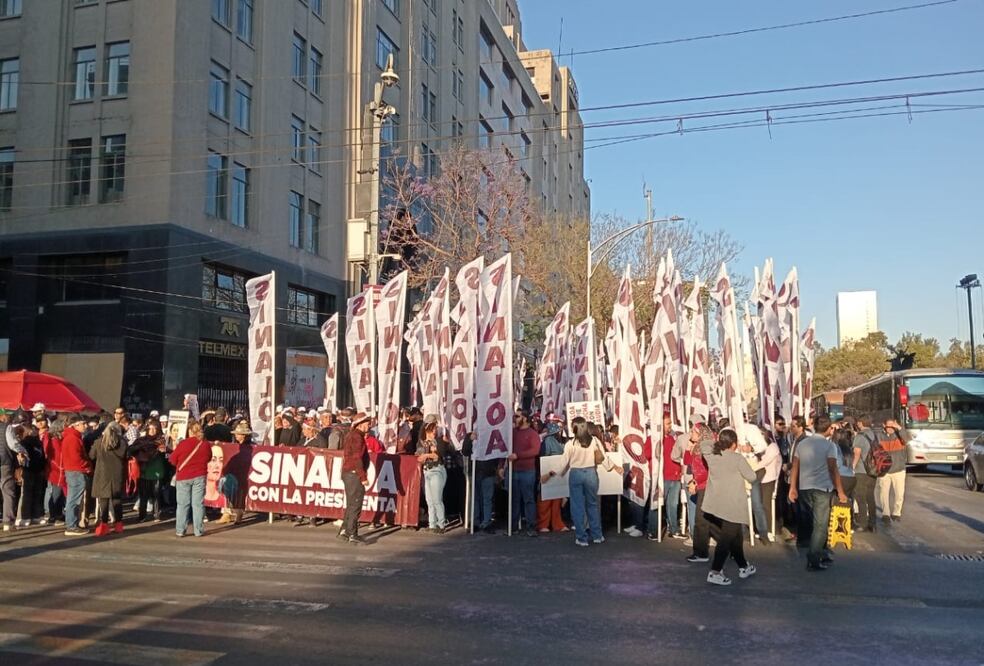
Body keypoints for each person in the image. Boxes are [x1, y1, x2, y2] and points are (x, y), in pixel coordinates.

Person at [541, 419, 617, 547]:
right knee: (592, 505)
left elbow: (563, 463)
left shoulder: (571, 444)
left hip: (576, 474)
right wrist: (614, 467)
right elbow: (603, 458)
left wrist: (549, 474)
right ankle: (597, 535)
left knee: (577, 507)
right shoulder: (594, 441)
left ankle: (582, 538)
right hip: (591, 473)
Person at [788, 416, 848, 572]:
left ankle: (822, 551)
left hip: (804, 487)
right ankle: (813, 558)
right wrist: (841, 491)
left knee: (815, 522)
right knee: (821, 524)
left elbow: (795, 466)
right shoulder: (830, 446)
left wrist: (792, 487)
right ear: (829, 429)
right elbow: (833, 469)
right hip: (822, 488)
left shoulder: (803, 444)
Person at [699, 428, 757, 586]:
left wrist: (717, 442)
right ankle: (715, 571)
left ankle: (743, 566)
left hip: (716, 504)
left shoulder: (712, 456)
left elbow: (704, 444)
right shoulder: (737, 459)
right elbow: (752, 476)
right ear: (734, 444)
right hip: (733, 505)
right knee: (726, 540)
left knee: (735, 537)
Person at [170, 422, 211, 538]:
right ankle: (199, 530)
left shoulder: (183, 444)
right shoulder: (205, 444)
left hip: (183, 477)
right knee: (198, 504)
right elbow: (208, 457)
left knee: (183, 504)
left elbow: (172, 460)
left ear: (190, 431)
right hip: (200, 475)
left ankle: (180, 530)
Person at [89, 418, 128, 536]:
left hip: (102, 474)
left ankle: (104, 526)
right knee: (117, 500)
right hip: (117, 474)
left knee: (103, 501)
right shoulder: (122, 443)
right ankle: (119, 525)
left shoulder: (98, 442)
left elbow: (91, 456)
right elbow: (126, 456)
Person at [340, 413, 372, 544]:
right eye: (367, 423)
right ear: (360, 424)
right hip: (354, 473)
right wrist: (363, 476)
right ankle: (352, 533)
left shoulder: (352, 435)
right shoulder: (357, 437)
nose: (369, 426)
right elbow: (357, 458)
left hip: (348, 472)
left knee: (351, 503)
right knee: (356, 504)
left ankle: (344, 530)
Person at [127, 421, 166, 522]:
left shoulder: (161, 440)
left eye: (155, 429)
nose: (152, 431)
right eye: (150, 428)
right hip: (144, 469)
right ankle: (142, 515)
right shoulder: (141, 440)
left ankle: (156, 514)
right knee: (143, 494)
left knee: (156, 494)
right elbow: (131, 449)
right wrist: (141, 446)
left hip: (156, 469)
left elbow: (165, 453)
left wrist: (163, 451)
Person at [416, 420, 451, 533]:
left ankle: (441, 524)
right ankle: (432, 524)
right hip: (427, 471)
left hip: (437, 470)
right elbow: (419, 457)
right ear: (426, 430)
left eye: (435, 429)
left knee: (437, 499)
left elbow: (436, 456)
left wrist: (425, 455)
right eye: (432, 430)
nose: (434, 432)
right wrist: (420, 457)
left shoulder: (438, 442)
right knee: (429, 500)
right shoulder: (422, 443)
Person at [60, 414, 92, 536]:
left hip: (74, 471)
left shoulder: (72, 436)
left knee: (72, 499)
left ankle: (72, 524)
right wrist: (87, 466)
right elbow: (76, 458)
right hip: (76, 471)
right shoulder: (73, 438)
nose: (86, 425)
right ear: (75, 425)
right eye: (83, 423)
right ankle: (71, 526)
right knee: (74, 499)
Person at [684, 424, 712, 561]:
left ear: (700, 434)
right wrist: (689, 447)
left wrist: (695, 482)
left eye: (693, 432)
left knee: (701, 520)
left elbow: (706, 470)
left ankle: (701, 552)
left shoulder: (705, 448)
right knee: (704, 519)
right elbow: (687, 462)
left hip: (705, 486)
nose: (691, 434)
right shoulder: (697, 447)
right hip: (701, 485)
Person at [510, 411, 540, 536]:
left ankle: (531, 526)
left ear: (525, 418)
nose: (515, 418)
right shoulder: (513, 433)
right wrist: (502, 465)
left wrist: (518, 456)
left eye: (517, 416)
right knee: (514, 499)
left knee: (528, 499)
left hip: (528, 471)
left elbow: (535, 450)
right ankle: (513, 526)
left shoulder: (533, 434)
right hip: (514, 470)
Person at [874, 418, 910, 525]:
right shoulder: (879, 436)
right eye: (888, 426)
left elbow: (907, 439)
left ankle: (896, 513)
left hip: (899, 469)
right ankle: (886, 513)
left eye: (892, 427)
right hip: (884, 471)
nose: (890, 429)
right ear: (884, 425)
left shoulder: (900, 435)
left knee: (899, 493)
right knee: (883, 493)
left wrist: (898, 427)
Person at [536, 416, 568, 533]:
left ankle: (557, 523)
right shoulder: (548, 441)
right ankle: (543, 523)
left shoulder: (562, 440)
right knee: (545, 500)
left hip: (559, 472)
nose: (560, 429)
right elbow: (543, 456)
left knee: (557, 499)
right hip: (548, 471)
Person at [1, 408, 29, 532]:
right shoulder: (7, 427)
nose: (10, 418)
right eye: (9, 415)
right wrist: (23, 451)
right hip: (4, 462)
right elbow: (12, 444)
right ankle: (8, 522)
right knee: (8, 491)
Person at [851, 415, 878, 532]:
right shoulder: (875, 435)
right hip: (873, 470)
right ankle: (873, 523)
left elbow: (857, 454)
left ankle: (862, 523)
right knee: (870, 496)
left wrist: (852, 467)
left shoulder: (860, 436)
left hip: (861, 470)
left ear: (861, 423)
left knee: (860, 496)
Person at [38, 417, 65, 526]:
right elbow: (58, 455)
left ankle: (57, 514)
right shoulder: (54, 440)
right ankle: (53, 516)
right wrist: (61, 467)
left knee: (58, 493)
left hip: (55, 468)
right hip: (56, 469)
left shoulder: (54, 438)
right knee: (56, 493)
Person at [759, 429, 783, 539]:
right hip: (760, 479)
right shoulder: (762, 448)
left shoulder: (773, 447)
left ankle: (770, 529)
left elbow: (765, 462)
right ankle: (762, 528)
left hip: (769, 479)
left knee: (766, 505)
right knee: (760, 505)